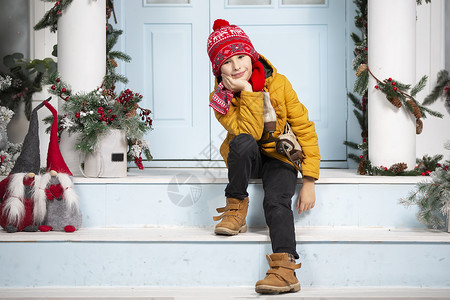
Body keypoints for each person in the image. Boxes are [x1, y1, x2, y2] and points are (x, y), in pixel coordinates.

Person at [206, 19, 320, 294]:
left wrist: (309, 180)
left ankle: (285, 268)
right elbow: (249, 132)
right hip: (250, 158)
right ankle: (236, 206)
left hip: (281, 157)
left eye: (241, 56)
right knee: (242, 141)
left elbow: (304, 127)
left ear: (252, 55)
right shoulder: (220, 98)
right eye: (227, 62)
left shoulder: (279, 83)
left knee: (276, 201)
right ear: (218, 68)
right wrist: (247, 93)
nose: (236, 67)